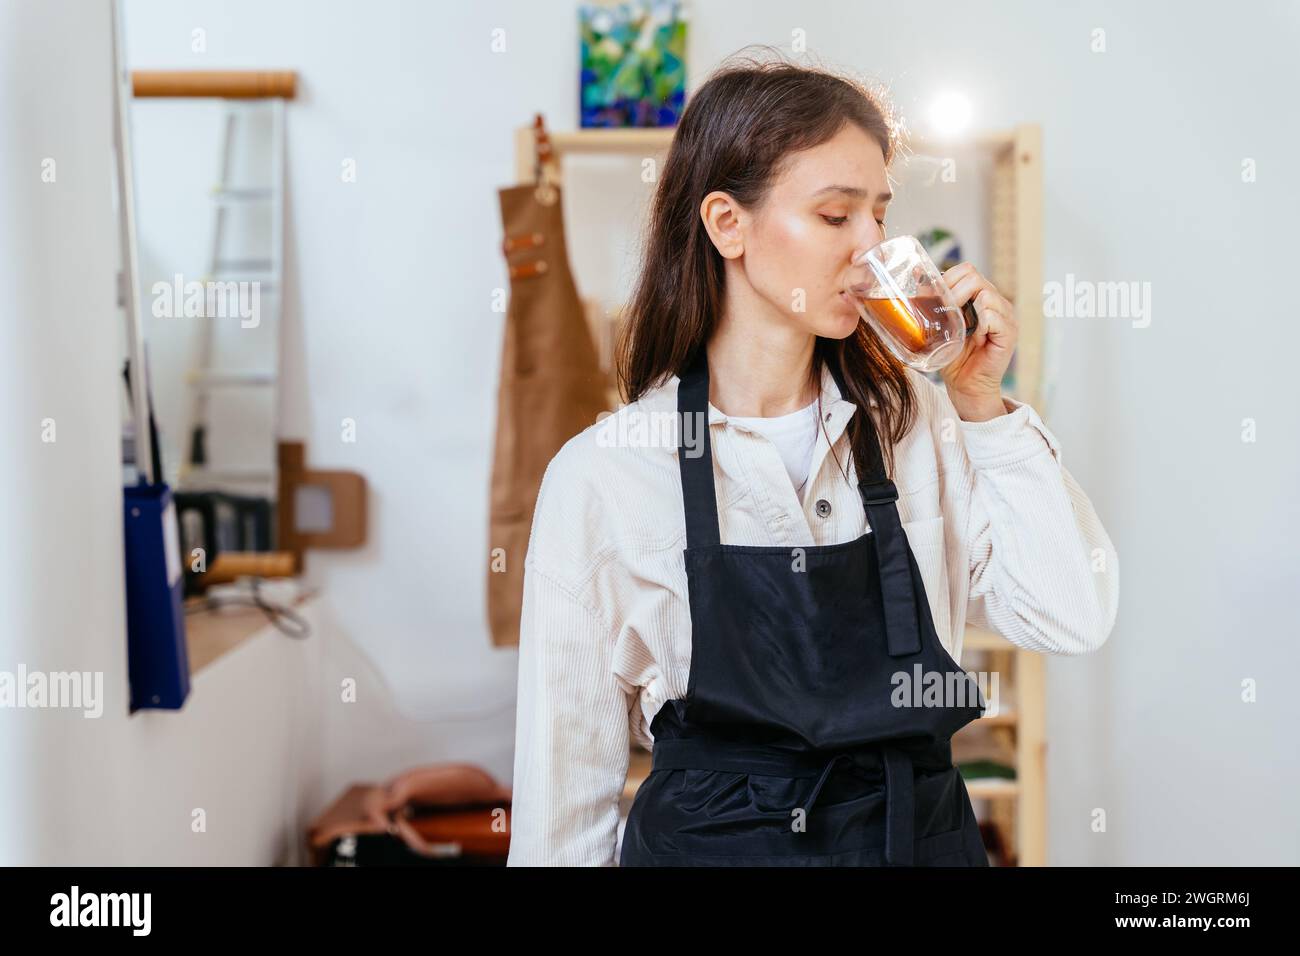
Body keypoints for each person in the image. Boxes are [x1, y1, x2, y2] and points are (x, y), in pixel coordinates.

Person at [506, 51, 1119, 866]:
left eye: (880, 215)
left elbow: (1068, 613)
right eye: (836, 217)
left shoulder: (919, 424)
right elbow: (562, 808)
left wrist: (984, 407)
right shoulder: (604, 477)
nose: (872, 246)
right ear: (728, 224)